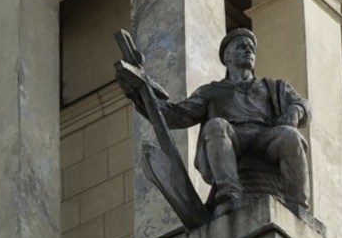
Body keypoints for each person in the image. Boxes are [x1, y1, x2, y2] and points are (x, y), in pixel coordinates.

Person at [117, 28, 310, 216]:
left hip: (265, 138)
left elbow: (303, 104)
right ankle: (229, 196)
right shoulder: (212, 91)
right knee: (216, 125)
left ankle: (298, 207)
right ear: (227, 58)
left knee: (291, 136)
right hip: (234, 138)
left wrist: (296, 109)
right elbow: (175, 115)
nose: (248, 50)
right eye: (241, 47)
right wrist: (138, 94)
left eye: (251, 48)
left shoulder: (274, 87)